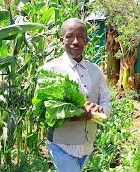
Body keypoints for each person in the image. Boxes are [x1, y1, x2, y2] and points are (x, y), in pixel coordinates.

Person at [41, 18, 111, 172]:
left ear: (86, 41)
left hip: (87, 144)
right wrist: (77, 114)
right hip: (61, 145)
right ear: (61, 40)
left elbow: (105, 100)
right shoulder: (51, 69)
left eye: (80, 37)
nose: (75, 41)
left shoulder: (95, 70)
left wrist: (99, 110)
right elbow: (46, 111)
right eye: (69, 36)